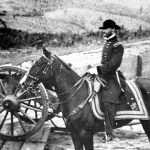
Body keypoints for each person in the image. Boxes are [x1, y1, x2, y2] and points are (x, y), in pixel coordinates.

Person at [97, 19, 124, 142]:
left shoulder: (118, 46)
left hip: (112, 77)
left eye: (106, 29)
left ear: (112, 29)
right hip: (103, 75)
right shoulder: (108, 43)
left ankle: (109, 134)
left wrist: (98, 70)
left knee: (108, 102)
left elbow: (113, 64)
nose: (104, 32)